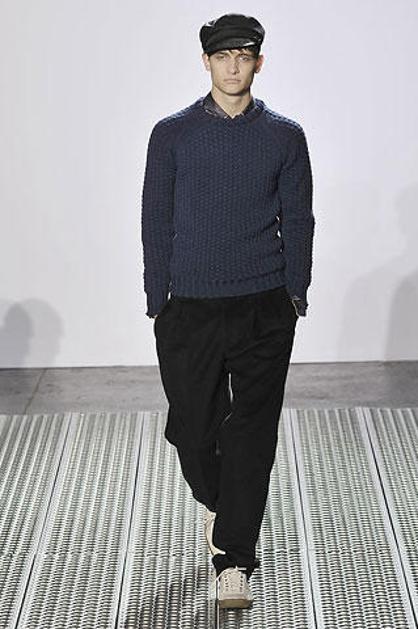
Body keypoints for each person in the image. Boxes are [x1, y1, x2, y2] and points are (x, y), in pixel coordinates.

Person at [141, 13, 315, 609]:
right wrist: (157, 297)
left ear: (259, 62)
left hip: (264, 304)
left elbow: (299, 218)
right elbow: (155, 217)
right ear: (207, 62)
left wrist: (295, 292)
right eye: (223, 56)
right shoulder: (172, 134)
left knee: (252, 433)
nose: (234, 66)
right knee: (192, 431)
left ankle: (234, 558)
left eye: (244, 56)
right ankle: (225, 504)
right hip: (189, 306)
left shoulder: (285, 136)